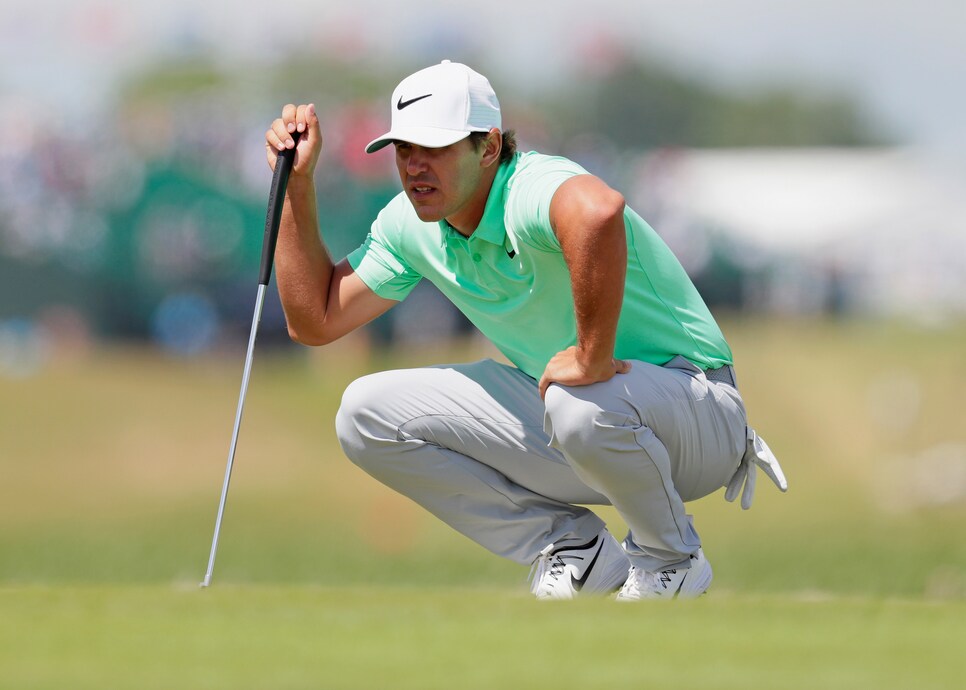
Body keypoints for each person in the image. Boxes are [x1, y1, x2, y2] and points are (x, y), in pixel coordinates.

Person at [264, 60, 787, 601]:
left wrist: (591, 356)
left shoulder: (529, 186)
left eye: (435, 148)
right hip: (582, 419)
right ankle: (572, 548)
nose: (415, 166)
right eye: (403, 150)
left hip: (698, 412)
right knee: (364, 414)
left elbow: (599, 211)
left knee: (578, 398)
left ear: (489, 148)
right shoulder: (410, 224)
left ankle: (671, 559)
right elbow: (315, 320)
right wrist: (296, 186)